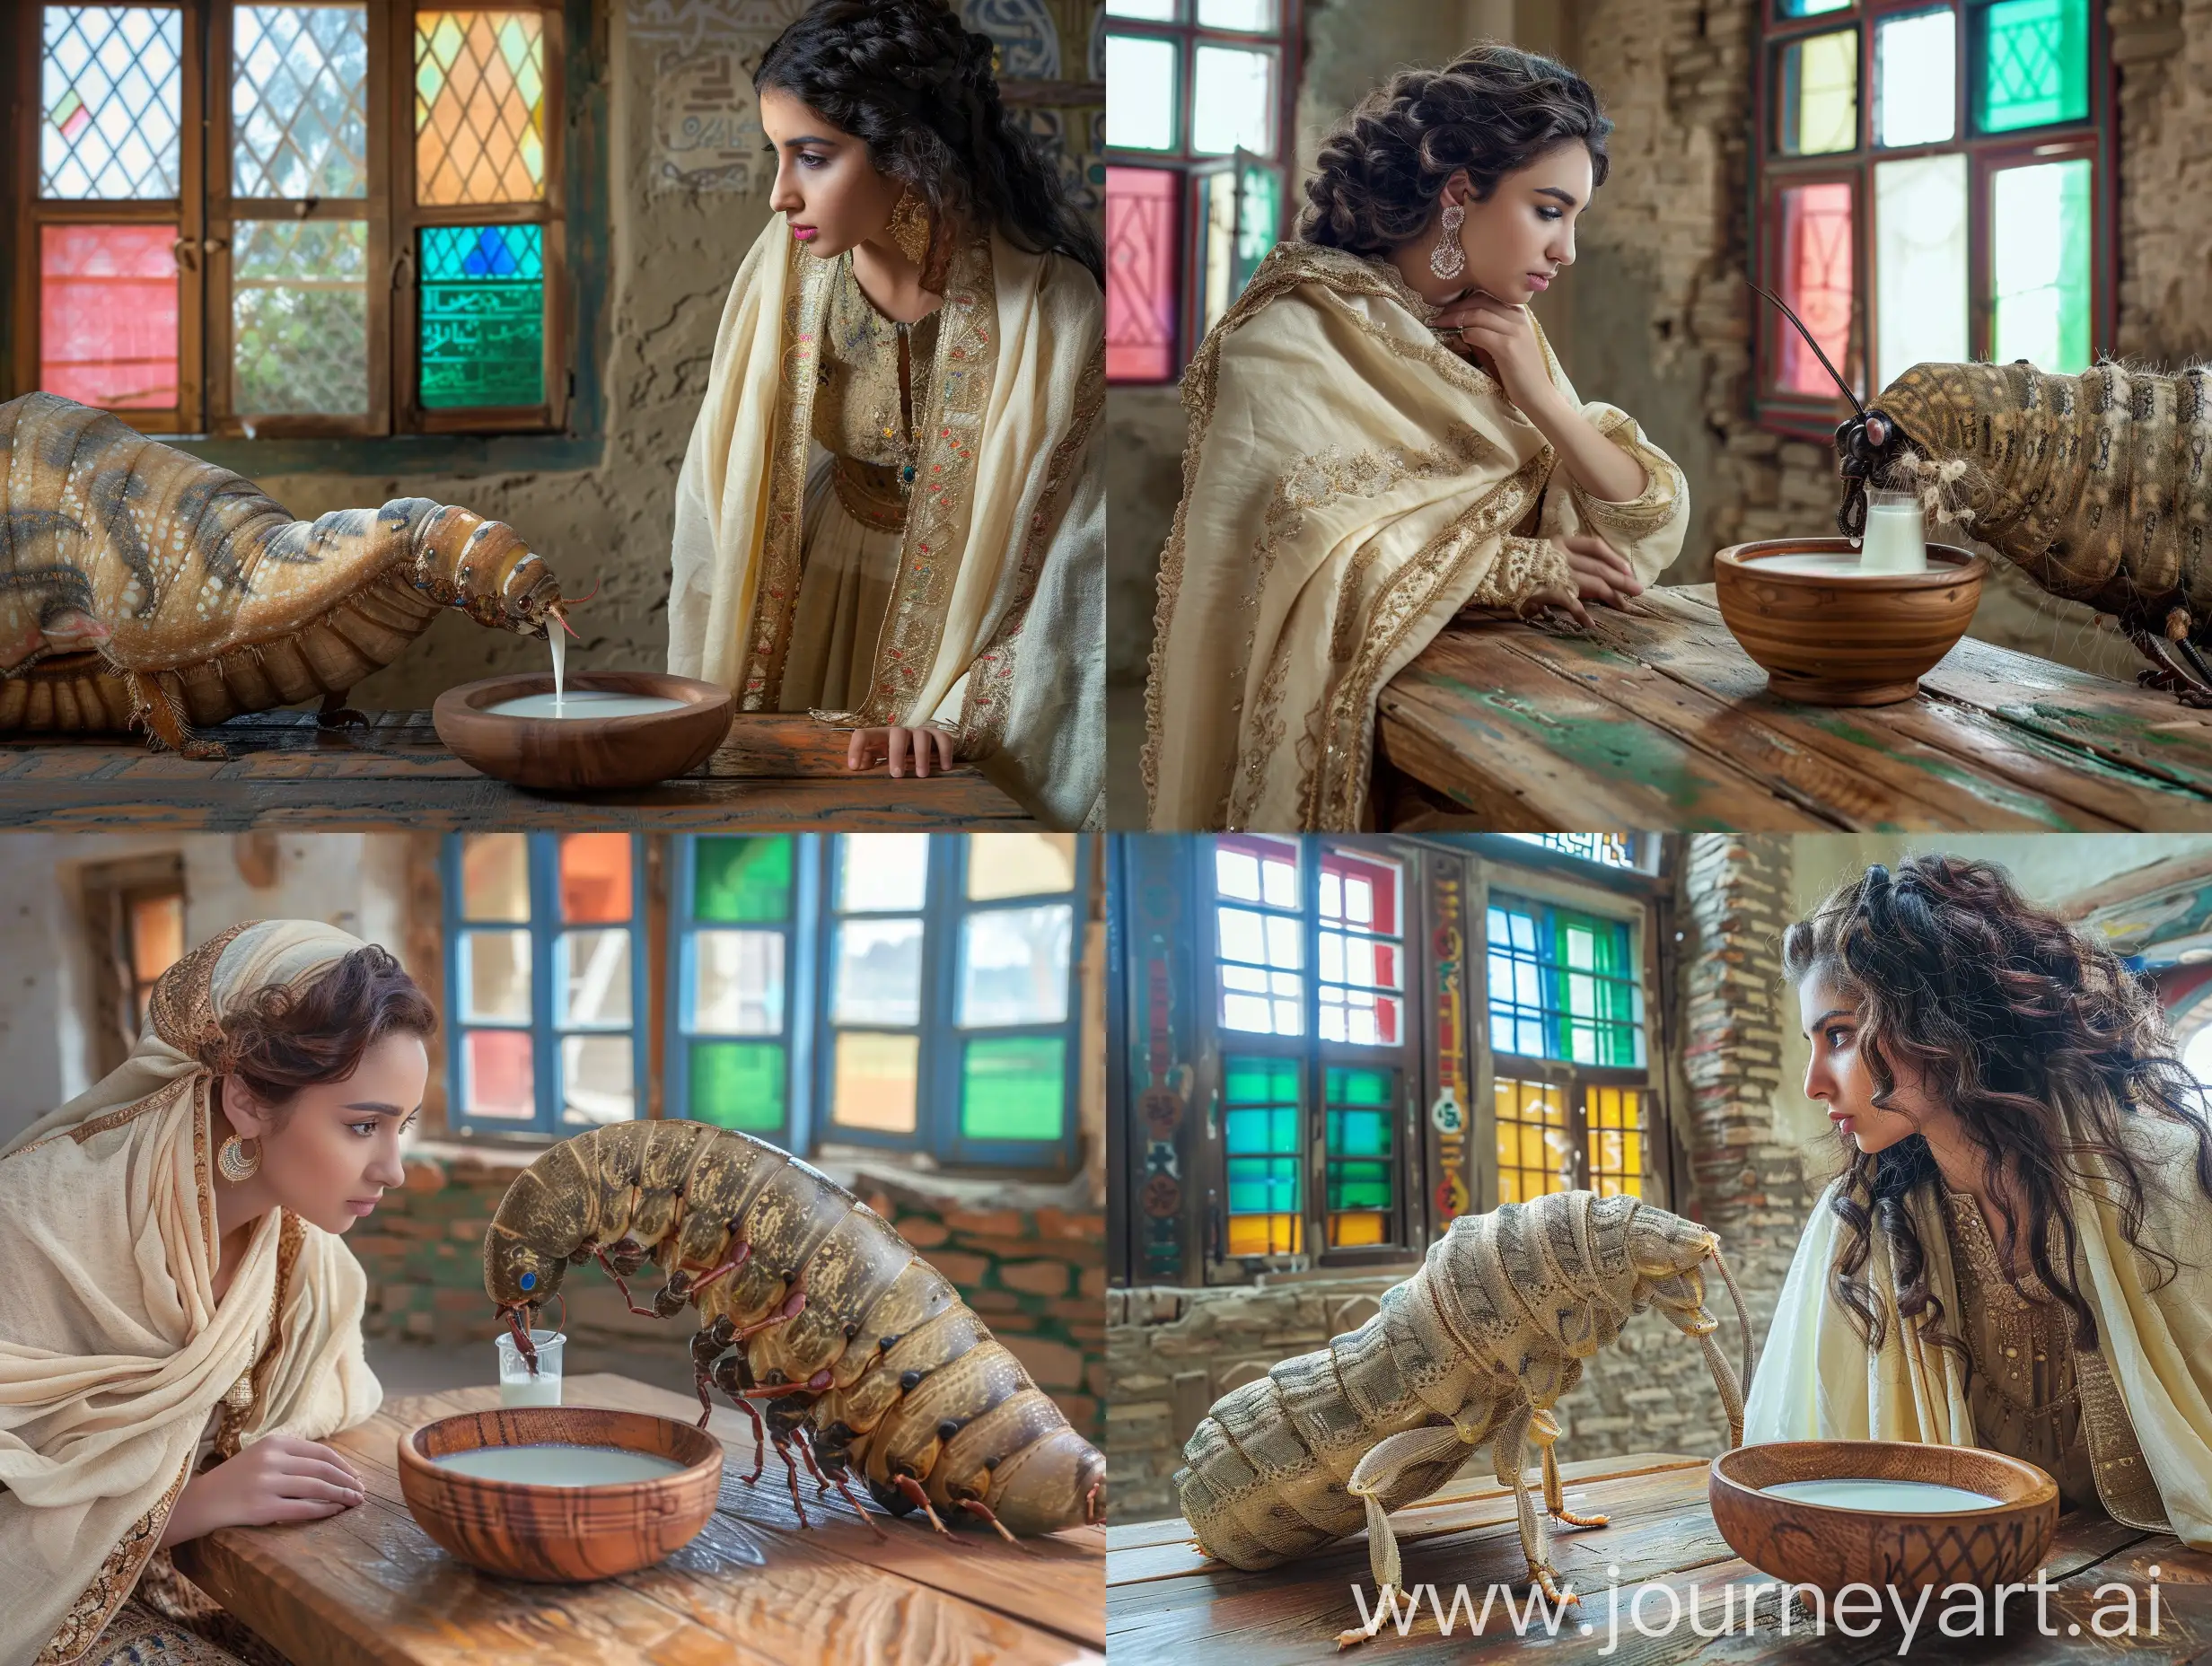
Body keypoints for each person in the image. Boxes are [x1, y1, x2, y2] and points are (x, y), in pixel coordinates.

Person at [1143, 42, 1690, 831]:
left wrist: (1548, 404)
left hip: (1530, 696)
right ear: (1461, 193)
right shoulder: (1289, 336)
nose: (1566, 250)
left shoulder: (1504, 331)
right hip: (1378, 724)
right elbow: (1299, 548)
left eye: (1575, 219)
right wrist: (1510, 565)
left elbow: (1643, 529)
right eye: (1548, 210)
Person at [668, 0, 1106, 829]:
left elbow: (1071, 552)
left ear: (910, 151)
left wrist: (956, 709)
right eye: (779, 156)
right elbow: (715, 484)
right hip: (820, 584)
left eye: (812, 157)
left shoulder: (1050, 307)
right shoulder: (786, 278)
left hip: (982, 609)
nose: (779, 195)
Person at [0, 922, 434, 1665]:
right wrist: (187, 1506)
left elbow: (330, 1401)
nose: (393, 1169)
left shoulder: (306, 1256)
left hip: (211, 1574)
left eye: (404, 1127)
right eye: (364, 1126)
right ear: (248, 1101)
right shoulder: (36, 1226)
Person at [1746, 856, 2212, 1548]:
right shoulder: (1864, 1224)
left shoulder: (2163, 1175)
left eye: (1840, 1034)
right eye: (1811, 1043)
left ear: (1933, 1017)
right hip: (1956, 1592)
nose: (1814, 1082)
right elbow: (1818, 1474)